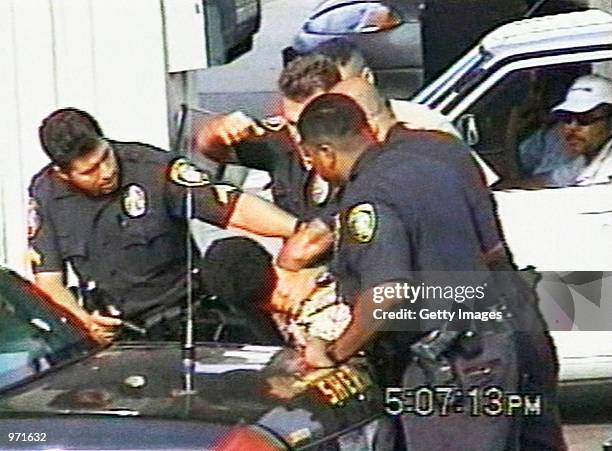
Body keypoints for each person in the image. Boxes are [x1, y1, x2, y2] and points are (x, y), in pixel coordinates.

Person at [292, 92, 566, 450]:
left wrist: (334, 352)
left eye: (311, 158)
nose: (315, 168)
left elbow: (387, 293)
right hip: (501, 344)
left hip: (448, 371)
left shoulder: (368, 198)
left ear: (326, 152)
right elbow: (493, 251)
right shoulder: (438, 160)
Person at [28, 108, 305, 343]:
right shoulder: (47, 195)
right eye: (90, 171)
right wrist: (84, 322)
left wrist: (301, 233)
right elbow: (50, 281)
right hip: (123, 336)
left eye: (105, 157)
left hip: (191, 319)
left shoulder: (151, 168)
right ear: (62, 173)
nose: (107, 172)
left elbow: (233, 207)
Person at [531, 74, 612, 186]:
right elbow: (545, 181)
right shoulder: (586, 160)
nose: (572, 127)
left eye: (585, 118)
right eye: (567, 118)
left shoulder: (607, 171)